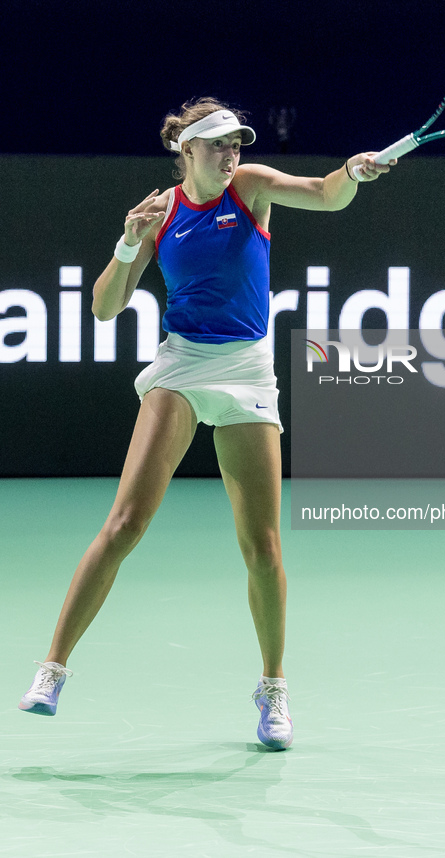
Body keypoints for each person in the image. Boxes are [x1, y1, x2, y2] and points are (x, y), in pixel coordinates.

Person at [18, 97, 395, 750]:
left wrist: (352, 173)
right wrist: (128, 239)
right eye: (218, 144)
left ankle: (272, 688)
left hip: (247, 371)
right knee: (126, 521)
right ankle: (51, 669)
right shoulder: (162, 211)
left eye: (236, 143)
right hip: (183, 367)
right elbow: (105, 308)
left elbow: (323, 194)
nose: (232, 154)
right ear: (186, 151)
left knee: (263, 547)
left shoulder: (251, 188)